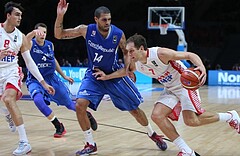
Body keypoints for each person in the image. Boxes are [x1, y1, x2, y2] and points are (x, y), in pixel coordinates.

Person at [94, 34, 240, 156]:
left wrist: (201, 67)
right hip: (170, 88)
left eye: (131, 51)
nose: (129, 54)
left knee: (191, 121)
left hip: (184, 85)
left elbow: (190, 54)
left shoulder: (160, 54)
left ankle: (230, 116)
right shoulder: (135, 63)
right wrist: (106, 77)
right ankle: (187, 151)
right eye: (127, 51)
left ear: (142, 49)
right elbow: (125, 71)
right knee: (157, 115)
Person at [54, 0, 167, 155]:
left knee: (134, 110)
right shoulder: (86, 30)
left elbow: (125, 52)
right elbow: (59, 35)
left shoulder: (118, 34)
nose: (107, 22)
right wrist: (60, 16)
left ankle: (152, 134)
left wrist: (128, 68)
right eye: (104, 20)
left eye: (109, 19)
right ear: (96, 19)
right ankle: (90, 144)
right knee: (80, 104)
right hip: (94, 74)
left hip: (114, 75)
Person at [0, 2, 55, 155]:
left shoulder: (21, 37)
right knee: (5, 102)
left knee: (9, 99)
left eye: (21, 15)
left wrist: (43, 83)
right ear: (8, 15)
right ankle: (7, 114)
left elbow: (30, 63)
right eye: (17, 14)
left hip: (11, 72)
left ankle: (25, 143)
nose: (19, 18)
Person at [25, 23, 98, 138]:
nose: (42, 34)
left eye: (44, 32)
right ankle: (58, 126)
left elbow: (53, 61)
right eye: (40, 32)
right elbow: (24, 41)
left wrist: (64, 76)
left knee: (69, 104)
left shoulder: (50, 45)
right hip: (36, 80)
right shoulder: (30, 44)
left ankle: (87, 114)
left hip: (52, 79)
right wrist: (33, 33)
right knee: (38, 100)